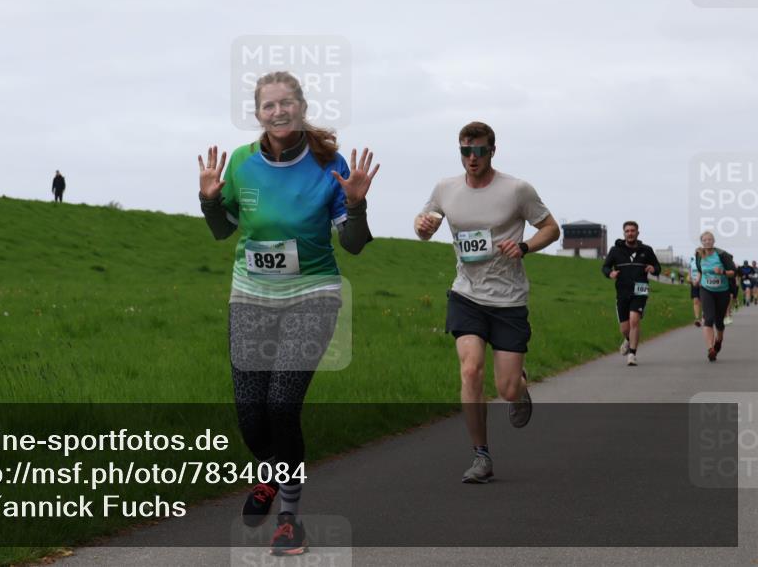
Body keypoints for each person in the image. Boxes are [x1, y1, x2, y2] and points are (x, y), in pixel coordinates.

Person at [197, 71, 378, 555]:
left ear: (301, 106)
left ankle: (290, 520)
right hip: (251, 296)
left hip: (312, 294)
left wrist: (357, 206)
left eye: (286, 103)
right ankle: (272, 473)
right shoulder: (240, 163)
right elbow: (221, 231)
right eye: (268, 106)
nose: (278, 112)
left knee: (282, 404)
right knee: (251, 415)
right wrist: (209, 200)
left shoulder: (328, 164)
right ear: (258, 114)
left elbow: (354, 246)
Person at [414, 121, 559, 484]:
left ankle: (519, 388)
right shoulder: (445, 189)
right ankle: (481, 455)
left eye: (479, 151)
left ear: (492, 151)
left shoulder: (517, 190)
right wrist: (422, 228)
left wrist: (525, 246)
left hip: (509, 300)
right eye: (466, 151)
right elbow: (425, 224)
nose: (472, 158)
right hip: (466, 294)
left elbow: (551, 228)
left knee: (505, 388)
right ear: (459, 151)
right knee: (470, 370)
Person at [601, 221, 661, 366]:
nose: (630, 233)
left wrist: (653, 269)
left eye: (632, 230)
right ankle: (628, 339)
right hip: (622, 291)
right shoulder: (615, 250)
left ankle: (632, 354)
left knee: (634, 320)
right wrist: (610, 273)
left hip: (640, 289)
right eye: (627, 231)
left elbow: (658, 267)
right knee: (625, 328)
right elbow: (605, 267)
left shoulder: (646, 250)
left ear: (637, 233)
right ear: (624, 233)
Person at [690, 232, 736, 362]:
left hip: (723, 291)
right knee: (708, 319)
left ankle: (719, 340)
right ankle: (710, 349)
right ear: (702, 242)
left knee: (719, 322)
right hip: (706, 290)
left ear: (714, 241)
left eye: (710, 239)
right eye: (704, 240)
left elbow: (733, 272)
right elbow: (700, 270)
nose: (707, 242)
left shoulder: (722, 255)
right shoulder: (699, 255)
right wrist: (697, 280)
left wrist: (722, 272)